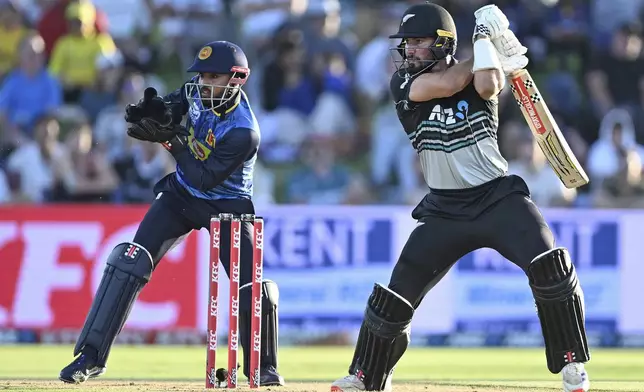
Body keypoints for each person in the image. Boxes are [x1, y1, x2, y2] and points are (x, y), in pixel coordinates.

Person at [330, 3, 590, 392]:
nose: (410, 50)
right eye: (408, 43)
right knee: (394, 296)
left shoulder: (479, 73)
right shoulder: (403, 84)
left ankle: (572, 365)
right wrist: (485, 41)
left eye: (418, 42)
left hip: (497, 198)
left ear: (442, 43)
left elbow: (487, 85)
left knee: (550, 266)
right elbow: (450, 83)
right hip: (444, 210)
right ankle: (364, 377)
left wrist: (487, 48)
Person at [59, 41, 285, 387]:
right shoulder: (196, 93)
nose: (204, 83)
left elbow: (205, 178)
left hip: (227, 204)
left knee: (251, 285)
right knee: (130, 261)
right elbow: (171, 109)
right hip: (181, 195)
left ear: (236, 80)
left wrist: (170, 141)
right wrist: (151, 111)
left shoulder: (245, 131)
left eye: (213, 76)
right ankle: (90, 357)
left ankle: (263, 367)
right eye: (201, 75)